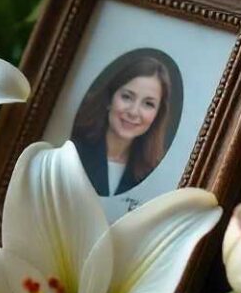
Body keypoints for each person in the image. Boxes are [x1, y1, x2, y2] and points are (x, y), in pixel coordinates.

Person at [71, 50, 176, 196]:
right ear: (109, 98)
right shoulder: (72, 150)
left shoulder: (153, 175)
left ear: (157, 115)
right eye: (127, 97)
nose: (133, 112)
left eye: (148, 104)